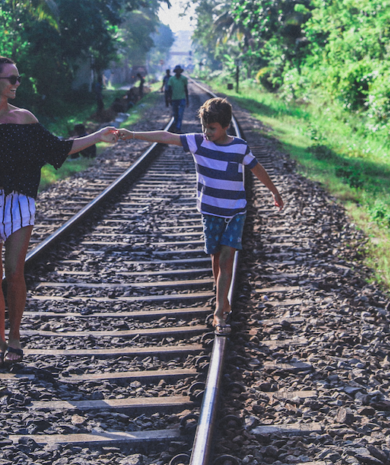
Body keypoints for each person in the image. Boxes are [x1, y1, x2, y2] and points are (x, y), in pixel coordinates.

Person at [0, 48, 118, 364]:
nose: (16, 84)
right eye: (12, 79)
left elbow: (58, 148)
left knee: (14, 271)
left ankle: (14, 337)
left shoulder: (25, 119)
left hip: (19, 202)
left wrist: (98, 136)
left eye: (18, 79)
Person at [118, 98, 283, 334]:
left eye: (212, 128)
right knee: (216, 260)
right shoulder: (199, 142)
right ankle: (221, 297)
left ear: (226, 126)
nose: (207, 132)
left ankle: (219, 312)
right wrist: (133, 134)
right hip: (211, 212)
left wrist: (274, 192)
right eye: (205, 127)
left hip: (235, 211)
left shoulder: (239, 147)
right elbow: (166, 137)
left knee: (226, 258)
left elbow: (256, 168)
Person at [165, 65, 190, 132]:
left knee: (180, 114)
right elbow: (169, 89)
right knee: (175, 114)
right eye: (177, 71)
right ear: (175, 71)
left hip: (182, 98)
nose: (178, 72)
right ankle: (176, 125)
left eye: (179, 70)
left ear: (180, 71)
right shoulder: (171, 79)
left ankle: (178, 127)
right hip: (174, 99)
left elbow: (186, 89)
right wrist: (169, 97)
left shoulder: (184, 79)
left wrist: (187, 99)